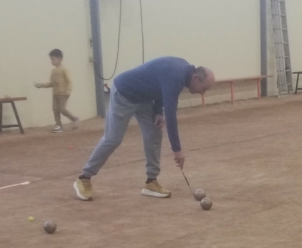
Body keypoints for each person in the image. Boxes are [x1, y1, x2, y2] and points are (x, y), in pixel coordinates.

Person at [73, 57, 215, 201]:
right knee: (113, 138)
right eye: (204, 88)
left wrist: (158, 111)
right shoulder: (177, 74)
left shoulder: (182, 73)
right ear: (195, 78)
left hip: (143, 98)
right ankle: (84, 178)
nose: (202, 93)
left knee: (154, 134)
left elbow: (162, 87)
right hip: (124, 93)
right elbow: (171, 114)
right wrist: (176, 149)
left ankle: (151, 182)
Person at [34, 49, 79, 133]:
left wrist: (68, 90)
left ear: (60, 59)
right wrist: (42, 85)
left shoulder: (64, 70)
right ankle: (58, 125)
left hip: (63, 93)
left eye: (53, 59)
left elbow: (69, 81)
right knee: (55, 110)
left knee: (62, 109)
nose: (52, 61)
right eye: (51, 59)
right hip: (55, 93)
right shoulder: (53, 71)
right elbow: (52, 83)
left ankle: (74, 119)